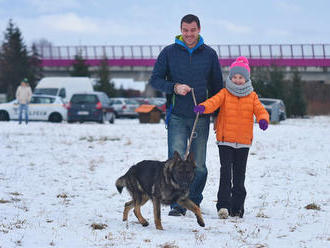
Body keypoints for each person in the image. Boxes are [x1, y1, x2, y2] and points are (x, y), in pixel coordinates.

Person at [149, 14, 223, 216]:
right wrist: (174, 87)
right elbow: (155, 80)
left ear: (199, 29)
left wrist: (216, 114)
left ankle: (193, 201)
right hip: (177, 117)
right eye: (185, 30)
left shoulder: (209, 54)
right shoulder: (169, 52)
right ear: (181, 30)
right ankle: (177, 204)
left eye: (193, 30)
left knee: (198, 167)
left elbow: (218, 88)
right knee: (175, 164)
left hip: (201, 118)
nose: (189, 34)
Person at [194, 56, 269, 218]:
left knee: (239, 176)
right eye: (234, 77)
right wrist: (203, 107)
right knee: (226, 174)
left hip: (243, 142)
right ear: (230, 78)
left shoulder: (252, 96)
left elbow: (261, 110)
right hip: (225, 140)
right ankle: (223, 206)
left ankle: (237, 208)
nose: (237, 80)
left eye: (240, 77)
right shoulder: (225, 93)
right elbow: (213, 102)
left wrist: (263, 119)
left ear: (246, 78)